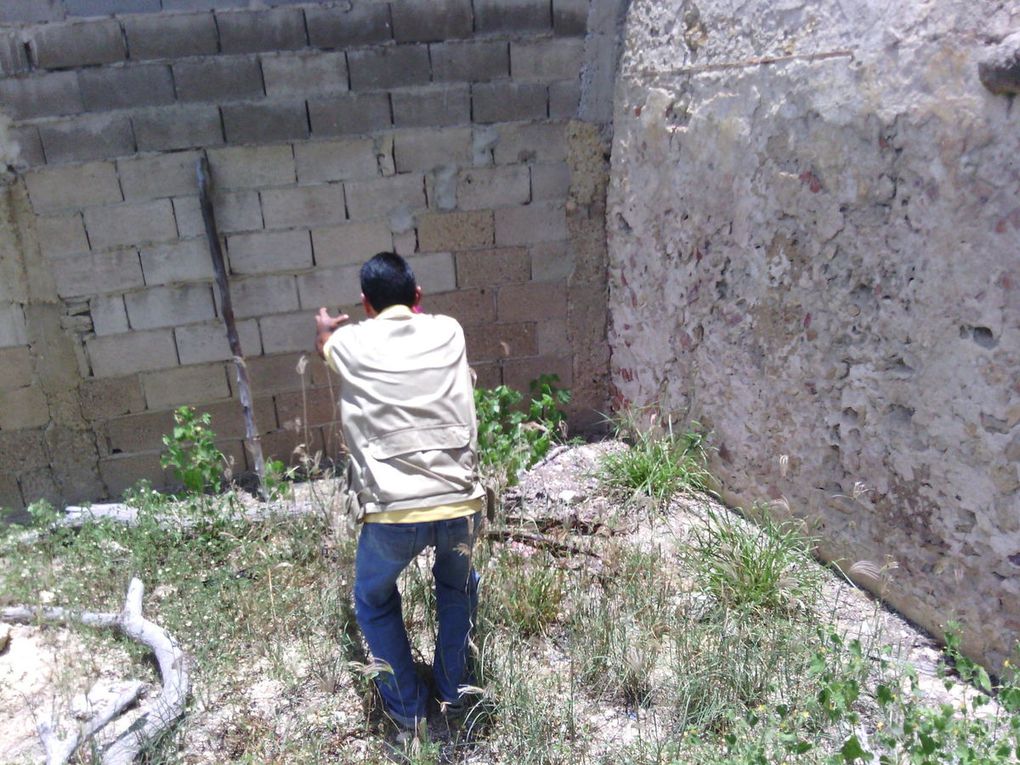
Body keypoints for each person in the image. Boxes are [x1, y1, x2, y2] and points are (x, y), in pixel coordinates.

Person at [314, 252, 485, 732]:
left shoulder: (348, 342)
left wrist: (327, 325)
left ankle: (408, 706)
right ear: (418, 298)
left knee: (372, 598)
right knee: (457, 587)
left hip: (392, 511)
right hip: (458, 499)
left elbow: (325, 340)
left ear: (366, 304)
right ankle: (455, 689)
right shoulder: (449, 330)